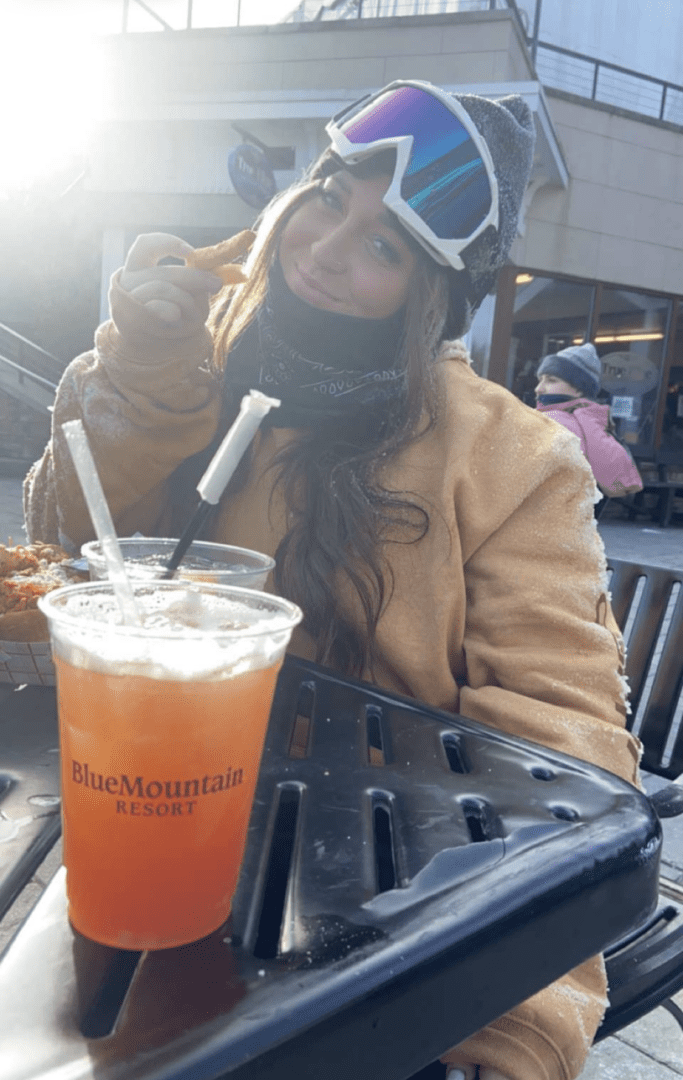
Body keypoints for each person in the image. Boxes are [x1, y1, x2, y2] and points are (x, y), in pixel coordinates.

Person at [24, 81, 641, 1080]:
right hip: (140, 818)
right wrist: (143, 376)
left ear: (430, 291)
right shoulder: (192, 354)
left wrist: (512, 1009)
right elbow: (63, 552)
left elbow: (559, 742)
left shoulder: (507, 458)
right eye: (328, 196)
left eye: (384, 245)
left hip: (376, 902)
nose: (325, 247)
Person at [535, 343, 643, 498]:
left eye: (551, 380)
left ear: (579, 388)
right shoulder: (590, 421)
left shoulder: (556, 422)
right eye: (540, 380)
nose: (539, 388)